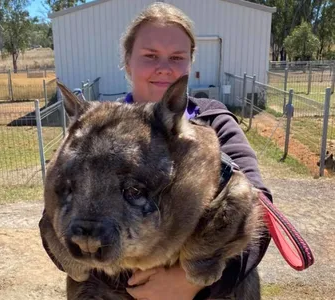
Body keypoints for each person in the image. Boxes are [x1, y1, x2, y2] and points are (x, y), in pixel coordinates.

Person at [116, 2, 273, 300]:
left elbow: (260, 207)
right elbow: (59, 215)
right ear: (127, 61)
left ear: (190, 64)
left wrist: (192, 282)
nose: (164, 67)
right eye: (150, 56)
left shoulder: (214, 121)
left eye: (177, 57)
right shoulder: (100, 126)